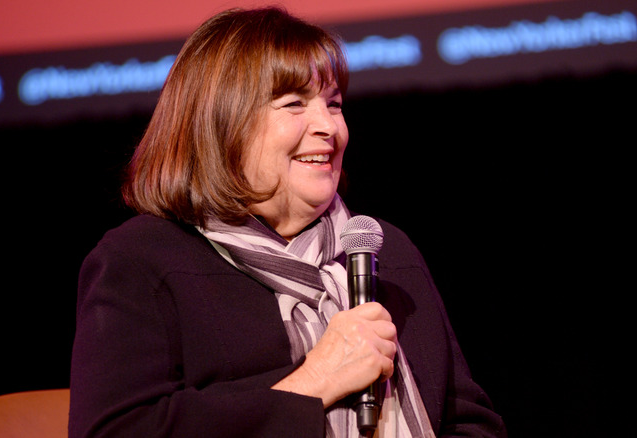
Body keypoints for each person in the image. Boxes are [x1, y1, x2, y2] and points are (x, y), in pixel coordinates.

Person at [69, 6, 506, 438]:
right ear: (223, 123)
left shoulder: (383, 250)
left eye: (333, 104)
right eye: (295, 103)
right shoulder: (141, 260)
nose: (328, 127)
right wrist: (314, 381)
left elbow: (470, 423)